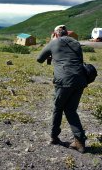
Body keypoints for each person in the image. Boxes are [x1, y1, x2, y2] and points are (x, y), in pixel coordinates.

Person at [37, 25, 87, 153]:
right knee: (71, 110)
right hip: (80, 80)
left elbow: (39, 59)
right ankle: (80, 142)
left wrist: (51, 42)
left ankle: (54, 137)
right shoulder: (76, 43)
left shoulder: (54, 42)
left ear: (56, 34)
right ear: (67, 33)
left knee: (58, 108)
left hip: (64, 81)